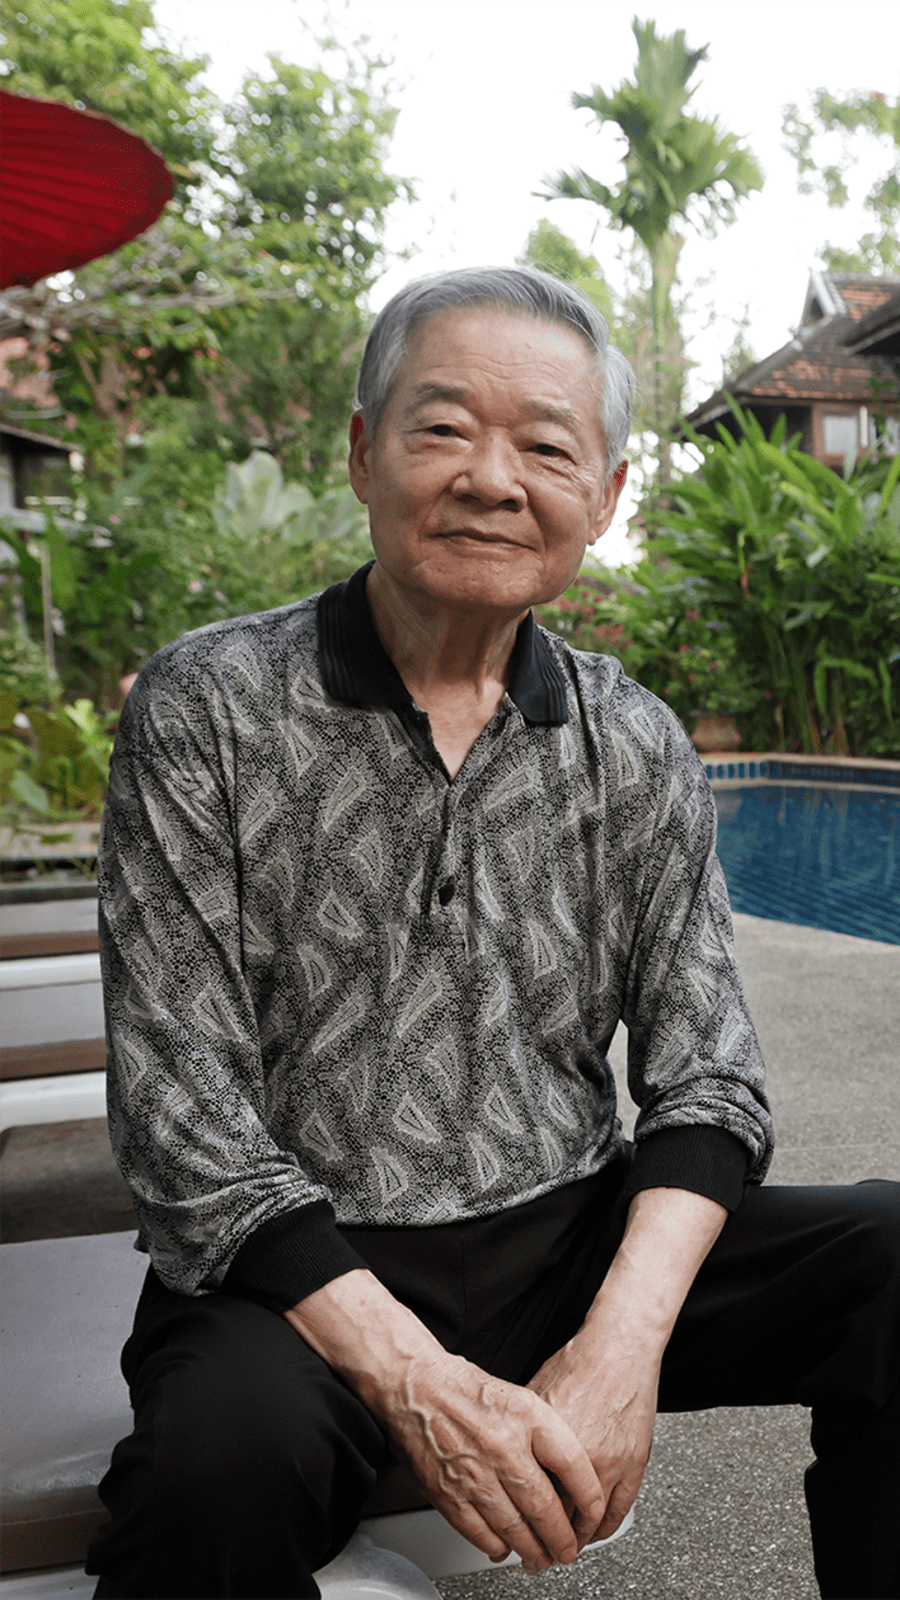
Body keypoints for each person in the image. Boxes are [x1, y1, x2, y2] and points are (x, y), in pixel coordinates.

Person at [87, 267, 899, 1600]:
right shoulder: (211, 709)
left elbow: (710, 1079)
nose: (491, 479)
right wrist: (414, 1374)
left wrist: (621, 1347)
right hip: (300, 1276)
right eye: (445, 427)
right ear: (364, 452)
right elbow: (182, 1118)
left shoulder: (631, 741)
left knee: (890, 1259)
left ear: (607, 495)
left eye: (545, 447)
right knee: (214, 1470)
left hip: (566, 1241)